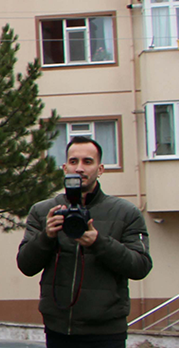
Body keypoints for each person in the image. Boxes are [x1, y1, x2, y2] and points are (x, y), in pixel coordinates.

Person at [17, 136, 152, 348]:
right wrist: (47, 236)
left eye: (87, 162)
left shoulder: (126, 213)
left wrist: (98, 242)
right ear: (64, 168)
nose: (79, 168)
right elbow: (25, 265)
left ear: (100, 169)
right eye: (73, 162)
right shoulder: (43, 211)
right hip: (58, 329)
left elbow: (140, 266)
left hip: (106, 331)